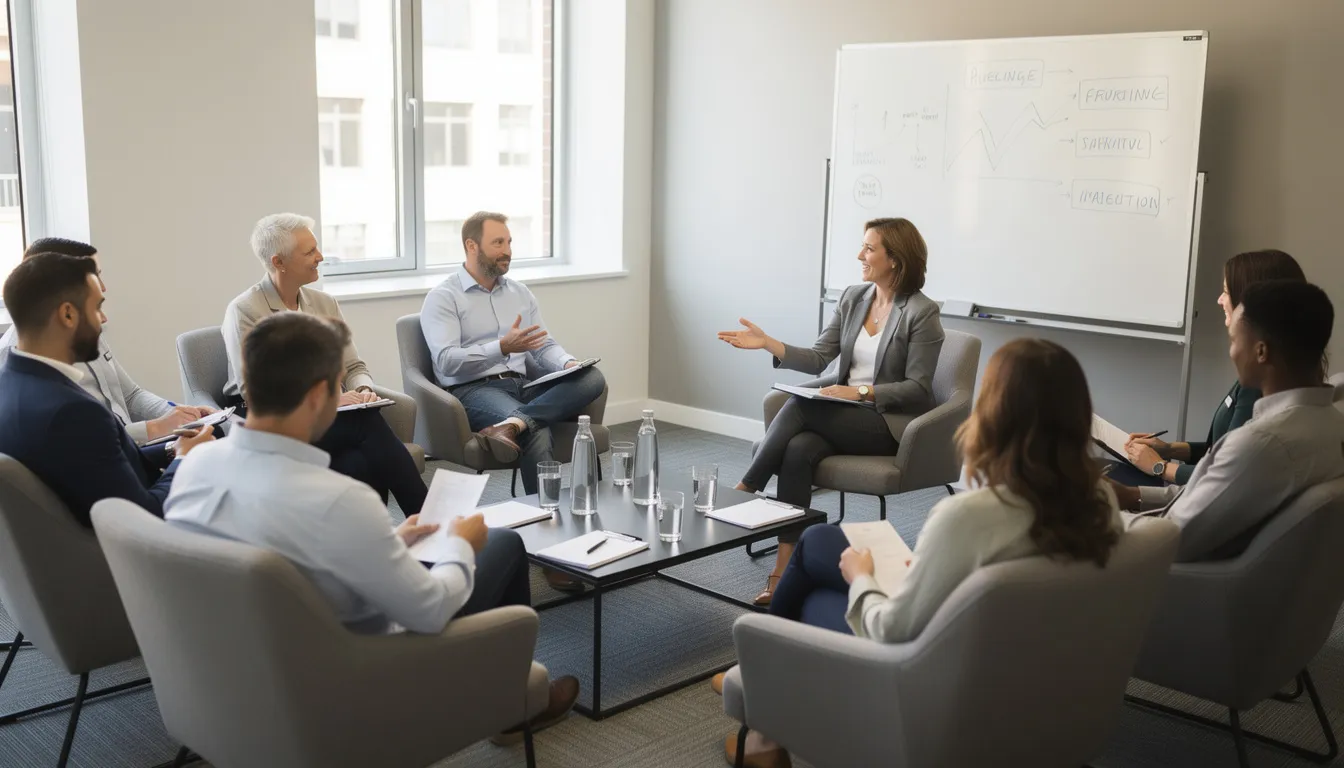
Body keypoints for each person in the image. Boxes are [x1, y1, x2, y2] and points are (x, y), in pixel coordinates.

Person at [166, 312, 578, 739]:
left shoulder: (193, 467)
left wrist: (388, 542)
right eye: (339, 385)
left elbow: (295, 564)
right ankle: (514, 706)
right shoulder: (338, 500)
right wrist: (459, 546)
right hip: (353, 682)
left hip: (228, 680)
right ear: (319, 395)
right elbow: (431, 611)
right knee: (502, 544)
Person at [715, 339, 1123, 768]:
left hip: (929, 676)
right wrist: (932, 573)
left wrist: (863, 578)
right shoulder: (1099, 501)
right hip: (1020, 669)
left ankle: (762, 718)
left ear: (998, 415)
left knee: (816, 594)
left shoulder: (967, 516)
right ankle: (760, 685)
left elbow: (890, 630)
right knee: (817, 542)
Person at [717, 217, 945, 606]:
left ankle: (746, 490)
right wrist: (768, 343)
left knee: (801, 407)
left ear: (895, 258)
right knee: (798, 449)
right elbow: (820, 357)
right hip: (839, 415)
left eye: (869, 248)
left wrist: (858, 392)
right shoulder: (854, 298)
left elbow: (917, 388)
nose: (860, 255)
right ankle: (783, 568)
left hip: (885, 423)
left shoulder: (921, 313)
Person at [1112, 280, 1344, 561]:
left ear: (1261, 352)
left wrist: (1099, 509)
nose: (1231, 351)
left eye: (1234, 340)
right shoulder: (1330, 423)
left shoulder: (1261, 445)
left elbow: (1171, 537)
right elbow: (1214, 498)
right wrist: (1132, 495)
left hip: (1171, 579)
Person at [222, 213, 428, 517]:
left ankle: (371, 543)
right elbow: (254, 391)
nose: (320, 257)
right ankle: (430, 523)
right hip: (276, 421)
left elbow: (354, 365)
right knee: (365, 423)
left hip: (334, 418)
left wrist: (364, 390)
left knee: (358, 462)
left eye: (317, 249)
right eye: (309, 252)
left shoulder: (324, 304)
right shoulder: (245, 310)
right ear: (278, 262)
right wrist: (329, 402)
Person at [0, 253, 214, 526]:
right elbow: (144, 516)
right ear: (68, 314)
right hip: (137, 551)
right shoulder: (73, 412)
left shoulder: (12, 380)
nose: (103, 318)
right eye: (97, 307)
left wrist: (176, 447)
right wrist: (186, 459)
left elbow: (97, 463)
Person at [1112, 249, 1306, 487]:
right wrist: (1169, 449)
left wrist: (1158, 467)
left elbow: (1225, 474)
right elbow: (1218, 448)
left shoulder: (1262, 384)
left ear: (1250, 302)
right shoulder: (1272, 369)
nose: (1220, 300)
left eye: (1226, 292)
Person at [0, 238, 215, 444]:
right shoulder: (23, 361)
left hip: (134, 446)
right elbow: (83, 442)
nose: (102, 287)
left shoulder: (85, 330)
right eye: (94, 276)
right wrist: (156, 429)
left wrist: (182, 414)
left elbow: (131, 396)